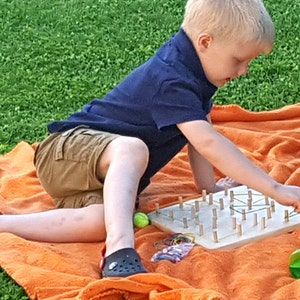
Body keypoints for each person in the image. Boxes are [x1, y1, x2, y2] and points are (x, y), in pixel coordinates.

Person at [1, 0, 300, 278]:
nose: (243, 71)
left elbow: (200, 131)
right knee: (132, 149)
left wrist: (208, 187)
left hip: (90, 176)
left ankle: (5, 225)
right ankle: (120, 249)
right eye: (239, 60)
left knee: (102, 220)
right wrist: (273, 189)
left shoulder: (194, 70)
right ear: (206, 42)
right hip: (64, 152)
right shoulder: (172, 77)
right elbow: (207, 141)